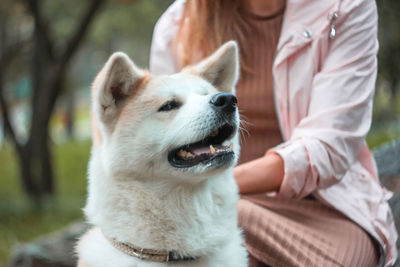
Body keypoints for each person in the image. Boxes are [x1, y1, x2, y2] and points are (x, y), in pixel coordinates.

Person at [149, 0, 398, 266]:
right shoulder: (179, 25)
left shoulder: (345, 6)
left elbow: (329, 147)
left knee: (226, 221)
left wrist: (223, 186)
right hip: (214, 204)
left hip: (329, 208)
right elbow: (165, 140)